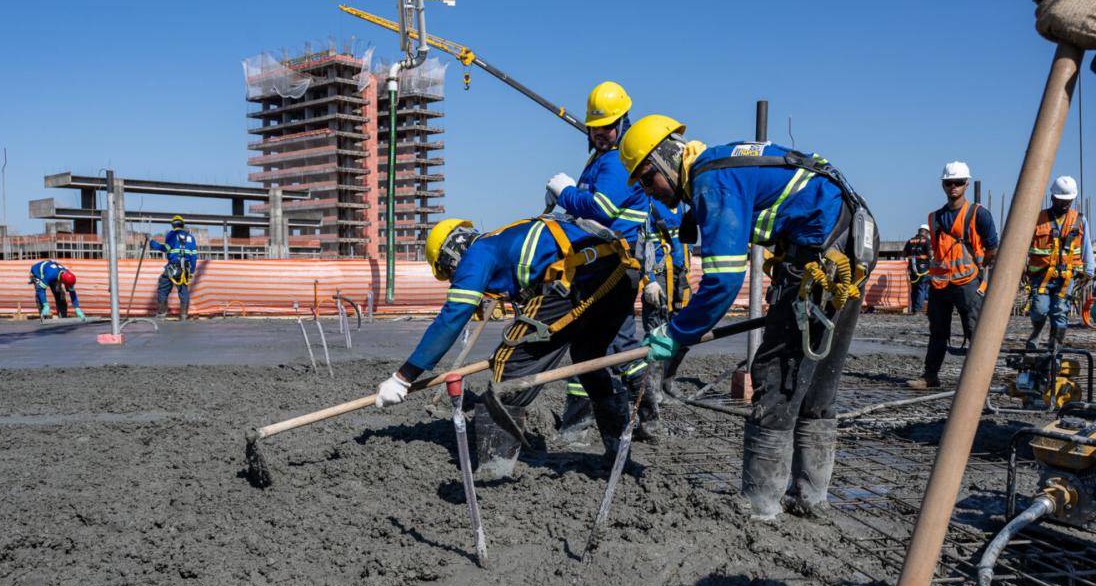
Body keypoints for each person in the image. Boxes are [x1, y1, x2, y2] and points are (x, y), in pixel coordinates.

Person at [620, 116, 877, 521]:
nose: (649, 191)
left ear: (666, 157)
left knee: (777, 372)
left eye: (647, 178)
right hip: (850, 244)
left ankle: (761, 504)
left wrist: (676, 332)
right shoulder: (723, 164)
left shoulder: (711, 180)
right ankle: (811, 496)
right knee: (816, 376)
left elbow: (723, 280)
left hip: (824, 257)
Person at [374, 215, 638, 478]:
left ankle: (493, 469)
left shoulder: (477, 253)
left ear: (450, 255)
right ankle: (618, 455)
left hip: (582, 276)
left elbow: (452, 318)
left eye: (449, 272)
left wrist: (403, 377)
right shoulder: (501, 241)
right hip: (619, 274)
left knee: (508, 363)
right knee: (588, 358)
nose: (454, 277)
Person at [545, 81, 672, 444]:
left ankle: (589, 423)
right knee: (617, 345)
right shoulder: (600, 161)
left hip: (614, 268)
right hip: (604, 267)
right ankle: (645, 419)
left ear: (622, 124)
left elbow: (601, 210)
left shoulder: (617, 162)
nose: (600, 134)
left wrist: (565, 193)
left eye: (607, 128)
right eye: (595, 128)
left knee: (592, 342)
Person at [906, 162, 998, 389]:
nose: (953, 186)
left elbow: (992, 248)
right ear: (943, 185)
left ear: (966, 184)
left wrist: (979, 268)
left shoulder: (978, 214)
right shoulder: (935, 218)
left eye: (958, 182)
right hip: (940, 283)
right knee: (937, 332)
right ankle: (930, 376)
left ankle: (978, 381)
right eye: (949, 183)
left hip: (968, 282)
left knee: (975, 331)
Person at [1025, 175, 1093, 351]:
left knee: (1060, 310)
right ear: (1052, 197)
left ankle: (1055, 346)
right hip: (1041, 275)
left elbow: (1086, 245)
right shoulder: (1038, 218)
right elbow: (1023, 246)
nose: (1065, 204)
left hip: (1066, 277)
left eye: (1068, 201)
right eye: (1061, 200)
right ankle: (1037, 331)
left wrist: (1089, 272)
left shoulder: (1079, 220)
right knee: (1039, 309)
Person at [150, 215, 198, 321]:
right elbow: (194, 257)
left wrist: (152, 243)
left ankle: (161, 314)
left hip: (173, 267)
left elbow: (165, 248)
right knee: (183, 291)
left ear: (173, 225)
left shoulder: (172, 234)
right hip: (185, 269)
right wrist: (191, 271)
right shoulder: (191, 237)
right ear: (182, 224)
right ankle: (184, 315)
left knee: (163, 289)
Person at [903, 224, 932, 314]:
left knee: (914, 289)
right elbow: (930, 255)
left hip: (912, 269)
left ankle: (914, 308)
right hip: (924, 270)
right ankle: (917, 309)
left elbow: (904, 254)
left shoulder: (909, 241)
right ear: (926, 232)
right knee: (921, 288)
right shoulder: (927, 241)